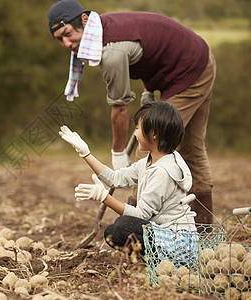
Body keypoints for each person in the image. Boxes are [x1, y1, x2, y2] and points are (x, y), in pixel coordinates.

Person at [47, 0, 216, 224]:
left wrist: (118, 152)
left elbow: (120, 108)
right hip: (198, 60)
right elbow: (152, 50)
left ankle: (136, 232)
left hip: (189, 71)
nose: (66, 43)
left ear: (84, 20)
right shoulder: (102, 29)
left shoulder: (110, 52)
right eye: (59, 39)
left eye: (67, 34)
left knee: (149, 146)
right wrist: (149, 89)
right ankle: (203, 230)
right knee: (192, 149)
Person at [59, 102, 198, 263]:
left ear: (154, 133)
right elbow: (115, 178)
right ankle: (152, 259)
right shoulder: (149, 162)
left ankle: (162, 261)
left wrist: (104, 197)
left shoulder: (162, 173)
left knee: (123, 225)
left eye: (138, 128)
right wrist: (85, 153)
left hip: (178, 244)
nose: (135, 134)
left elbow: (140, 216)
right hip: (162, 235)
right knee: (111, 233)